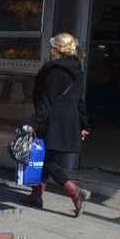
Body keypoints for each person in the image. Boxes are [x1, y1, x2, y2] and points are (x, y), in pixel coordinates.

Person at [22, 33, 90, 216]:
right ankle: (36, 195)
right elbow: (79, 100)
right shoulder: (77, 70)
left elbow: (46, 100)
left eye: (53, 47)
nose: (51, 50)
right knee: (47, 157)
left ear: (57, 50)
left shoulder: (53, 70)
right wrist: (84, 124)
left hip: (51, 121)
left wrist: (33, 122)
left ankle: (74, 191)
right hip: (69, 121)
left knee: (46, 160)